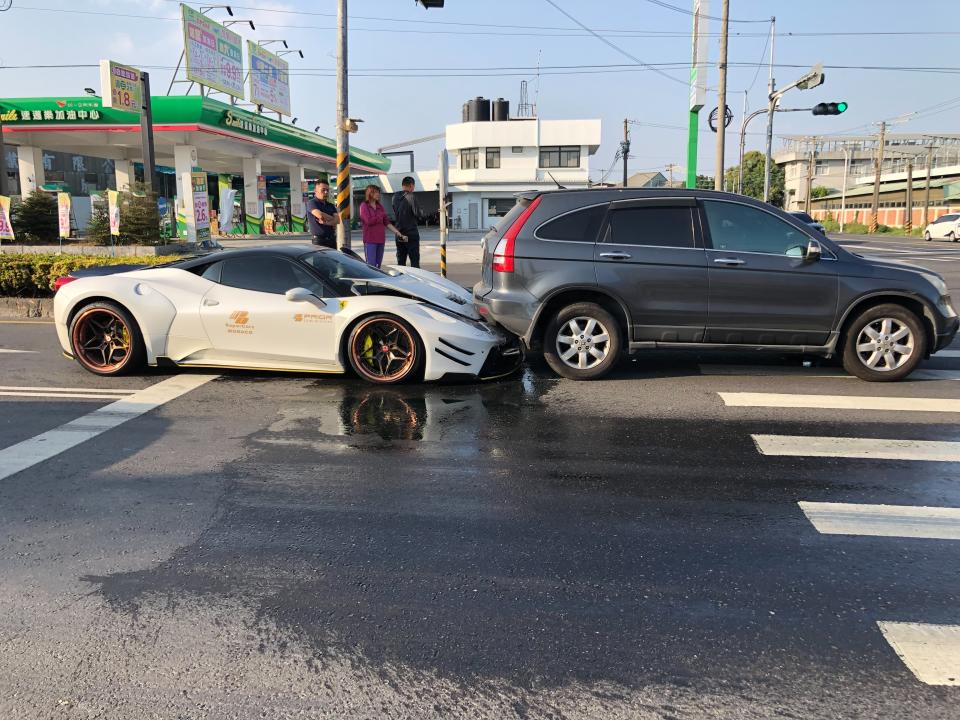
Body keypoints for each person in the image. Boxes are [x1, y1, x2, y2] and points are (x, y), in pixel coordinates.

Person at [359, 185, 403, 268]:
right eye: (376, 192)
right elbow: (368, 221)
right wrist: (379, 217)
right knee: (371, 266)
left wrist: (397, 232)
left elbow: (386, 222)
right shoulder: (364, 206)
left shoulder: (380, 207)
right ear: (370, 193)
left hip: (381, 240)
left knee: (378, 265)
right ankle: (370, 281)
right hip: (370, 240)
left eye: (378, 192)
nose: (378, 194)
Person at [391, 176, 423, 267]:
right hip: (411, 232)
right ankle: (415, 279)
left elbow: (395, 210)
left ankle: (401, 278)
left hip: (399, 232)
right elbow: (418, 213)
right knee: (414, 259)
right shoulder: (411, 196)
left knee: (401, 259)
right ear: (411, 185)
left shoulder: (395, 196)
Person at [305, 179, 340, 249]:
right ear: (315, 191)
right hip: (319, 241)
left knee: (333, 260)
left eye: (327, 190)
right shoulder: (312, 203)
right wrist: (333, 220)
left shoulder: (331, 205)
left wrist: (326, 223)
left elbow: (338, 220)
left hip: (332, 239)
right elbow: (320, 215)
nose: (326, 192)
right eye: (323, 190)